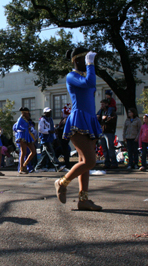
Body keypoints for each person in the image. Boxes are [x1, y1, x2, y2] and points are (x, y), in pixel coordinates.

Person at [54, 47, 102, 211]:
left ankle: (83, 199)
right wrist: (90, 64)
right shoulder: (71, 76)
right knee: (90, 161)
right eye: (85, 59)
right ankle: (62, 182)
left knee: (85, 163)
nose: (89, 62)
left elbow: (91, 86)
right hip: (78, 120)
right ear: (77, 61)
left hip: (89, 120)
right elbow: (90, 83)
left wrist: (89, 67)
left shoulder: (86, 74)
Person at [35, 108, 65, 173]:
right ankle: (58, 166)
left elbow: (52, 129)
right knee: (51, 153)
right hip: (45, 139)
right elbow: (40, 130)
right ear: (45, 113)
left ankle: (38, 167)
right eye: (48, 112)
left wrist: (54, 137)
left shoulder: (50, 119)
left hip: (50, 138)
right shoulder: (42, 120)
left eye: (50, 112)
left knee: (44, 154)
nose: (50, 113)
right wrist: (49, 131)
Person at [97, 99, 118, 169]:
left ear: (106, 104)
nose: (102, 106)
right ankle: (107, 163)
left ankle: (114, 163)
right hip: (103, 132)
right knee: (104, 149)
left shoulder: (111, 111)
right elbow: (98, 120)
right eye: (101, 104)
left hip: (109, 132)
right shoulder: (101, 112)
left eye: (103, 104)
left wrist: (105, 119)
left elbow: (113, 119)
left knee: (110, 148)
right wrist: (99, 118)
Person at [15, 107, 36, 174]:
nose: (28, 114)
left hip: (28, 136)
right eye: (27, 113)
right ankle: (21, 168)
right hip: (22, 136)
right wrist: (24, 129)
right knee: (23, 153)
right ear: (24, 113)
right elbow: (17, 127)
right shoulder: (20, 119)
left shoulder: (27, 119)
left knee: (33, 151)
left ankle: (24, 165)